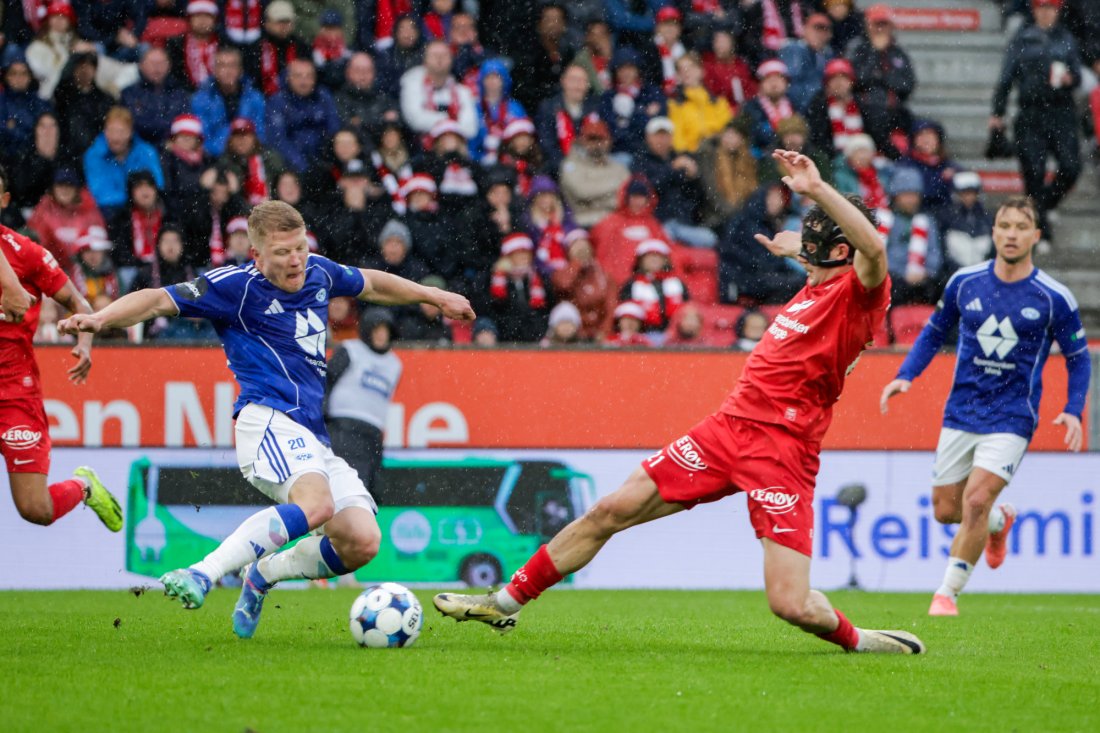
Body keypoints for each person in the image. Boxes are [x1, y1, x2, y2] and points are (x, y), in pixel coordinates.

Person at [433, 150, 927, 655]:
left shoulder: (861, 292)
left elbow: (874, 248)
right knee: (610, 510)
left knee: (791, 604)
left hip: (783, 448)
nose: (808, 233)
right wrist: (790, 247)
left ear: (840, 250)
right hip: (727, 429)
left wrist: (818, 188)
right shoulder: (816, 275)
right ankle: (504, 602)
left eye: (817, 230)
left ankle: (859, 640)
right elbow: (815, 248)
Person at [58, 199, 474, 638]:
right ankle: (204, 572)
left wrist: (434, 296)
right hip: (265, 419)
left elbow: (370, 282)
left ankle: (264, 574)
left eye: (300, 247)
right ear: (256, 255)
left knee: (361, 540)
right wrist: (100, 318)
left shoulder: (318, 271)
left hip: (312, 434)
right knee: (317, 505)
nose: (296, 260)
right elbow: (157, 300)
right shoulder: (236, 287)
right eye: (282, 252)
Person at [880, 196, 1090, 617]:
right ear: (993, 233)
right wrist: (906, 374)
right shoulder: (965, 282)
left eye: (1020, 227)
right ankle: (998, 523)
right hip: (962, 410)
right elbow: (934, 331)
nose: (1011, 234)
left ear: (1035, 235)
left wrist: (1073, 407)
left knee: (976, 500)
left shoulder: (1053, 297)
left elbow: (1078, 357)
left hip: (1012, 417)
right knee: (946, 511)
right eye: (1004, 226)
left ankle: (947, 593)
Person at [0, 164, 122, 535]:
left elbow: (80, 306)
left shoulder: (26, 253)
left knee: (36, 509)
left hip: (13, 393)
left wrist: (84, 344)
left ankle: (84, 487)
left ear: (4, 200)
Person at [991, 0, 1081, 240]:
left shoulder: (1067, 38)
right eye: (1041, 8)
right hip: (1030, 113)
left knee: (1071, 167)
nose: (1046, 14)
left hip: (1061, 111)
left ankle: (1045, 206)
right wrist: (997, 113)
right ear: (1034, 11)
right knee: (1033, 172)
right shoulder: (1022, 39)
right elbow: (1006, 78)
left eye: (1050, 8)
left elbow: (1078, 77)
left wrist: (1069, 79)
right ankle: (1042, 229)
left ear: (1057, 11)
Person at [325, 308, 401, 495]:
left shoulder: (395, 365)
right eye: (377, 330)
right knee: (342, 481)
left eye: (385, 331)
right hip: (344, 427)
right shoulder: (350, 349)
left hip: (373, 432)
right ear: (367, 331)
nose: (382, 336)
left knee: (367, 487)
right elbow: (327, 381)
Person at [120, 46, 191, 146]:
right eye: (152, 63)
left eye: (161, 63)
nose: (157, 67)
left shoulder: (179, 93)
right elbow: (133, 123)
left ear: (169, 65)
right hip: (138, 147)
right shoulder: (129, 93)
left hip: (173, 148)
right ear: (141, 65)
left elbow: (184, 123)